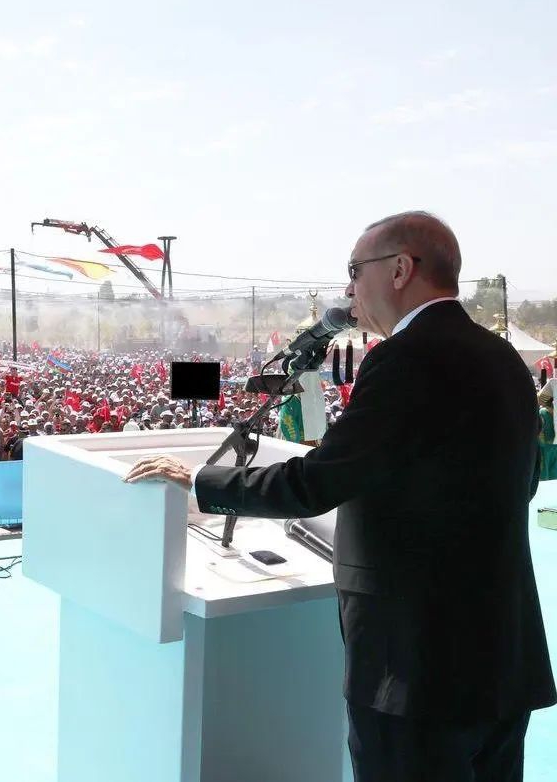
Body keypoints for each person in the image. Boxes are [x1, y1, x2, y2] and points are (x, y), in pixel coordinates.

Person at [125, 212, 554, 781]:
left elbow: (319, 482)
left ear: (399, 269)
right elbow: (521, 483)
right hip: (502, 656)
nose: (349, 289)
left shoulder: (403, 358)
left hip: (415, 667)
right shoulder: (503, 358)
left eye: (355, 270)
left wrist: (202, 481)